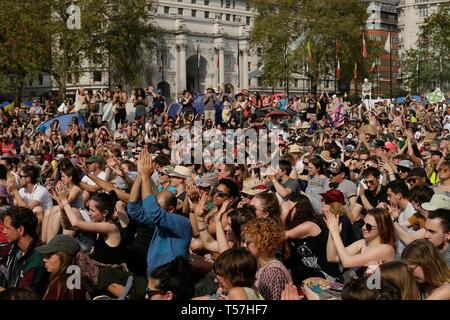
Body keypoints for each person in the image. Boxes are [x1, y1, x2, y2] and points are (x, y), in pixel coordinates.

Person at [127, 152, 192, 275]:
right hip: (153, 277)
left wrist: (146, 177)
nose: (152, 207)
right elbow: (134, 209)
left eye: (158, 206)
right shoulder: (157, 220)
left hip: (169, 281)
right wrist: (141, 175)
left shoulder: (182, 222)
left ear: (171, 209)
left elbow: (152, 211)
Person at [54, 184, 126, 265]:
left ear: (105, 213)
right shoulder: (97, 224)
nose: (89, 213)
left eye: (92, 210)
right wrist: (61, 208)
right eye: (89, 209)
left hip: (109, 275)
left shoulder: (110, 227)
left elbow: (75, 223)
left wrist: (65, 201)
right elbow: (67, 226)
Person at [282, 194, 340, 284]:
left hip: (326, 276)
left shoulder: (310, 225)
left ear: (298, 208)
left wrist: (283, 214)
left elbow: (280, 236)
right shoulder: (293, 225)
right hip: (309, 274)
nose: (287, 212)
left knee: (298, 269)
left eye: (289, 209)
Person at [325, 208, 396, 273]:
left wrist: (335, 233)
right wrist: (331, 230)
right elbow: (332, 258)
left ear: (382, 229)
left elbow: (347, 262)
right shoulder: (362, 243)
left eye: (368, 226)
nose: (363, 227)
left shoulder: (386, 249)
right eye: (363, 223)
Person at [0, 207, 48, 297]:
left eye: (7, 228)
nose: (4, 231)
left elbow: (23, 297)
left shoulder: (37, 260)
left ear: (20, 230)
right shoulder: (16, 247)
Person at [241, 218, 292, 300]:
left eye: (248, 242)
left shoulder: (272, 272)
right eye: (244, 241)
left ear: (263, 243)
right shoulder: (263, 267)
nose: (243, 245)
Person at [36, 235, 90, 300]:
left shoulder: (61, 284)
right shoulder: (76, 280)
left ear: (63, 258)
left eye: (49, 255)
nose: (44, 259)